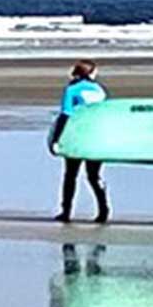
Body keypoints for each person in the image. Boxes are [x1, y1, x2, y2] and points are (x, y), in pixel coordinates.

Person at [48, 59, 110, 225]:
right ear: (90, 73)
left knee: (71, 175)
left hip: (76, 137)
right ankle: (104, 209)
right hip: (96, 138)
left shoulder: (72, 90)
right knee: (94, 176)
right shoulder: (99, 90)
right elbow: (104, 114)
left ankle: (66, 212)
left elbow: (66, 114)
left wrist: (56, 139)